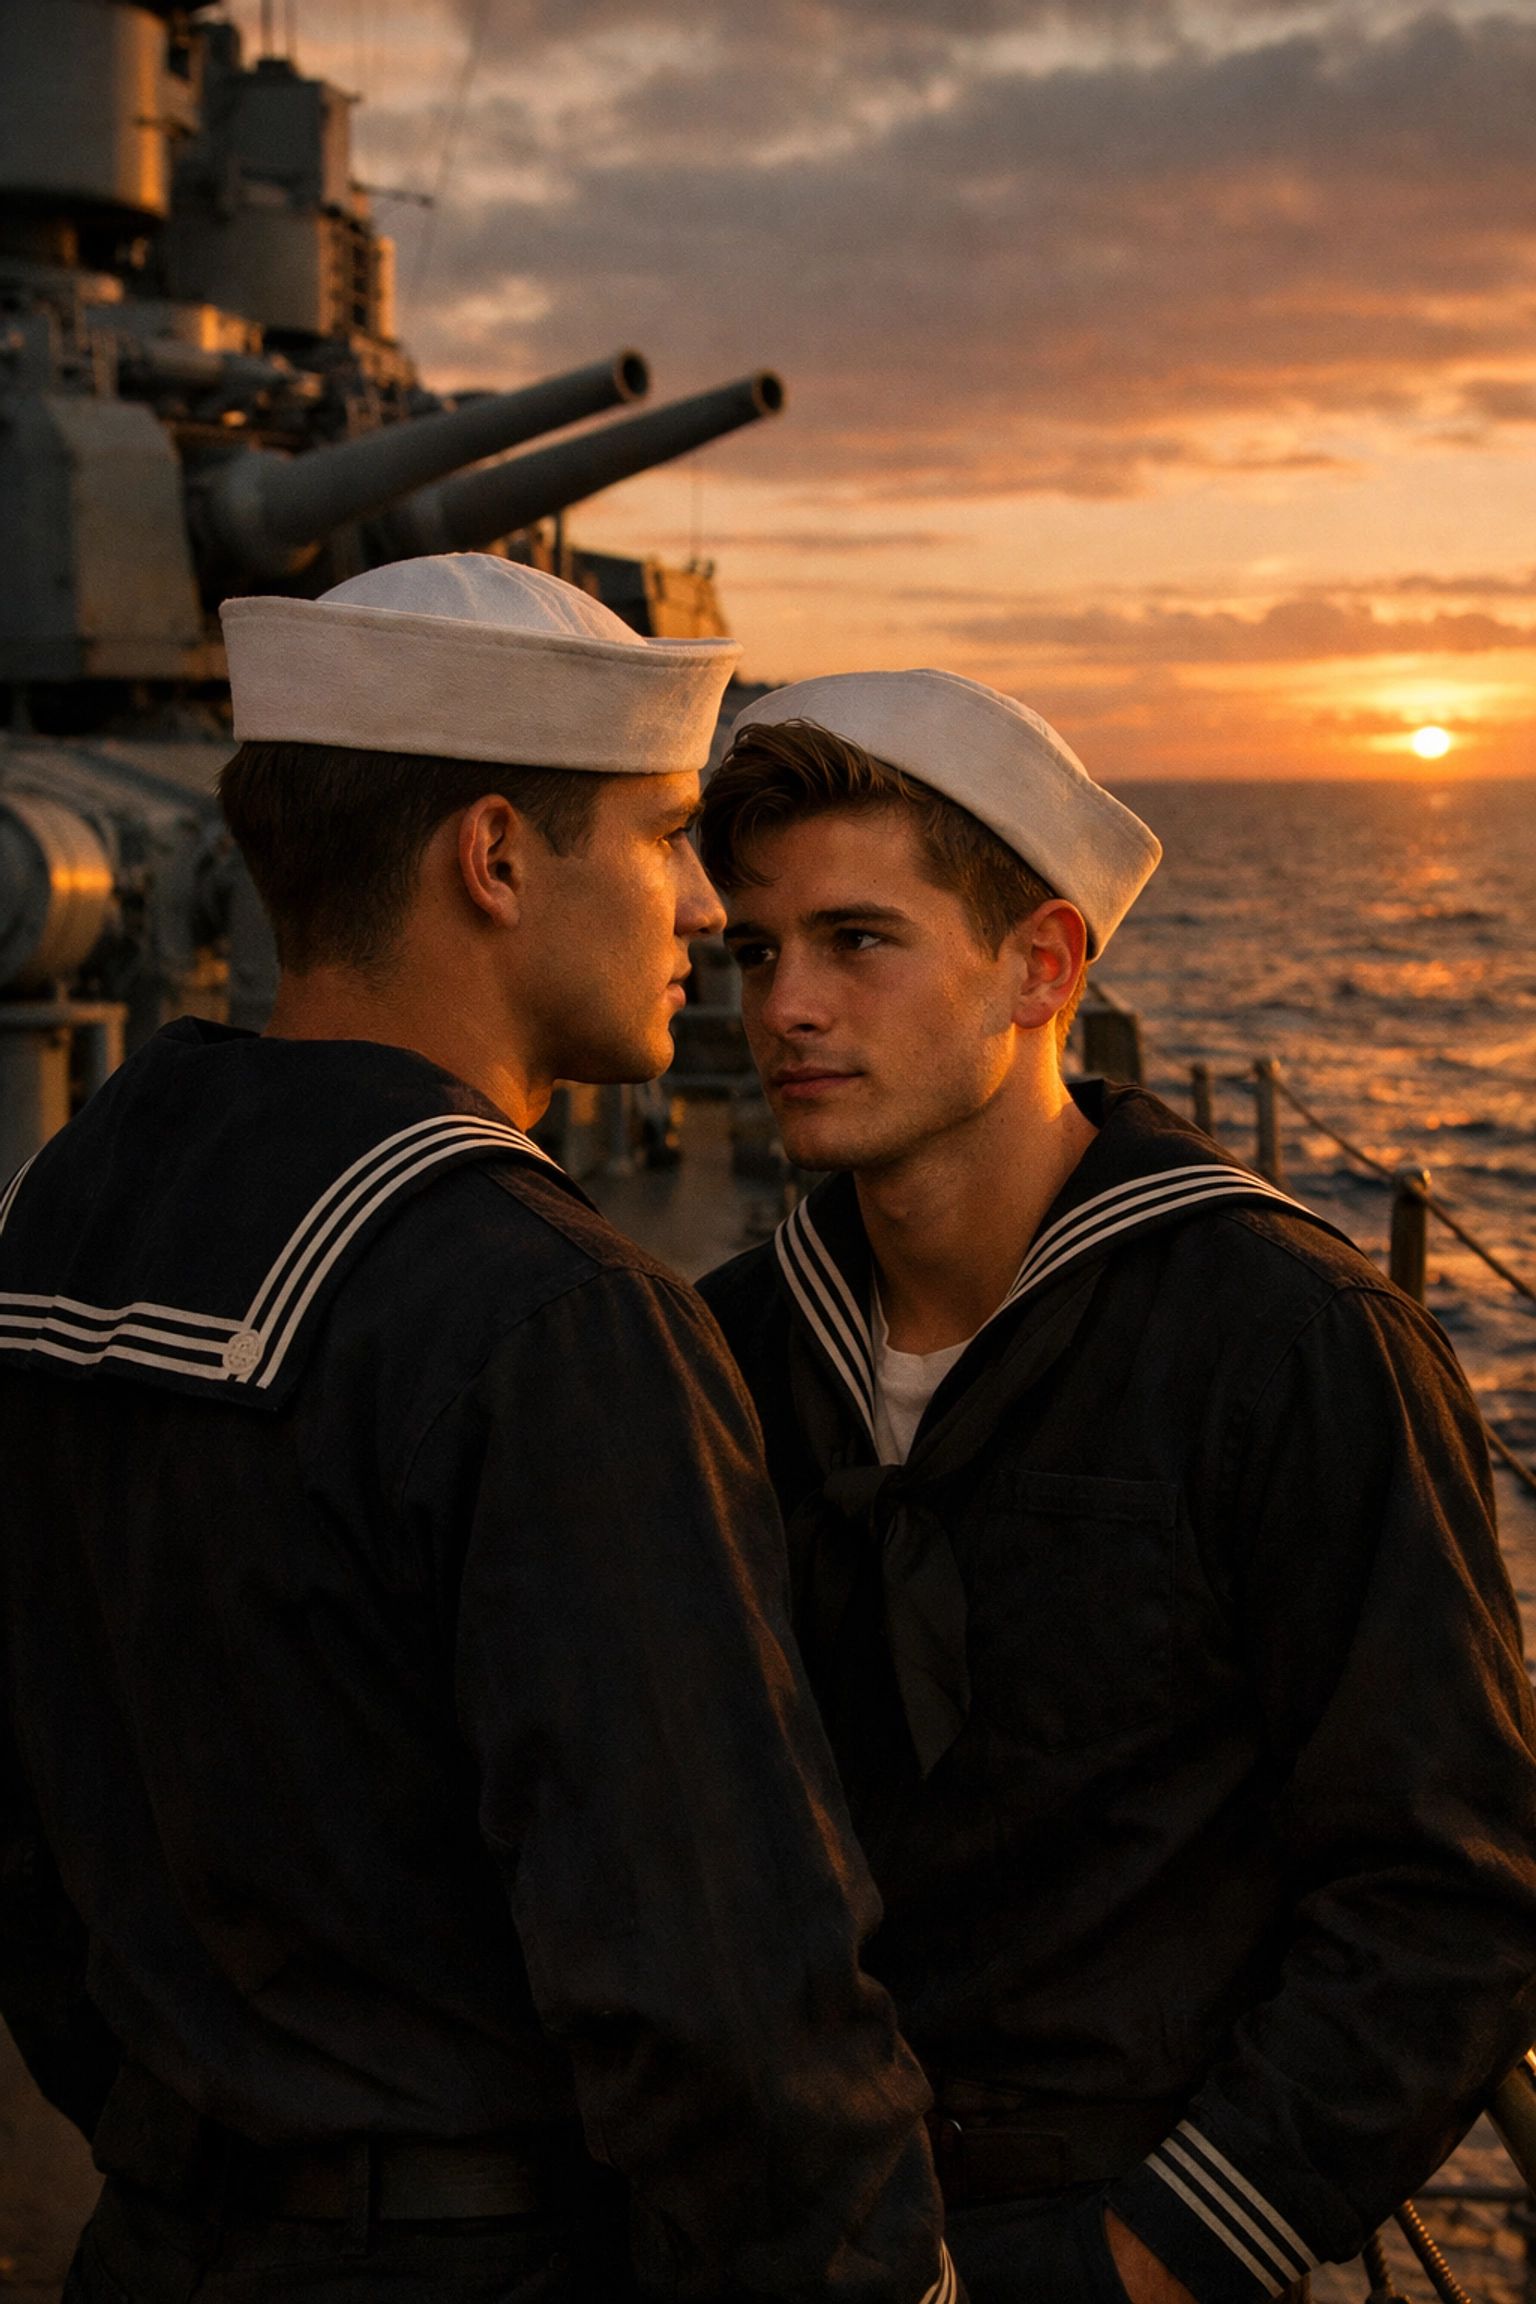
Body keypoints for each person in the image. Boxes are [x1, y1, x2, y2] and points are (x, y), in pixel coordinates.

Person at [0, 560, 953, 2304]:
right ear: (497, 857)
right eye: (664, 837)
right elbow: (724, 2002)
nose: (699, 912)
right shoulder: (557, 1322)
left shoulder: (76, 1204)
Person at [695, 671, 1536, 2304]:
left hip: (1103, 2226)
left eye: (856, 942)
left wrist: (1147, 2261)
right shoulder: (718, 1352)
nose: (785, 1005)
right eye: (755, 949)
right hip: (774, 2226)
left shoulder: (1288, 1346)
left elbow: (1448, 1890)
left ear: (1042, 966)